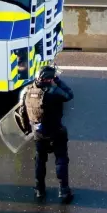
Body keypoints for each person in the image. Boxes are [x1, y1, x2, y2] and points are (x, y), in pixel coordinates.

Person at [20, 65, 75, 202]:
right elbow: (69, 94)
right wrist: (59, 81)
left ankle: (39, 190)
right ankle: (64, 191)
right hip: (56, 131)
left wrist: (27, 129)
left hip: (38, 132)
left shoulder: (27, 91)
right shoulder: (54, 92)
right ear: (50, 79)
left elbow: (22, 112)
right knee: (61, 159)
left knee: (40, 160)